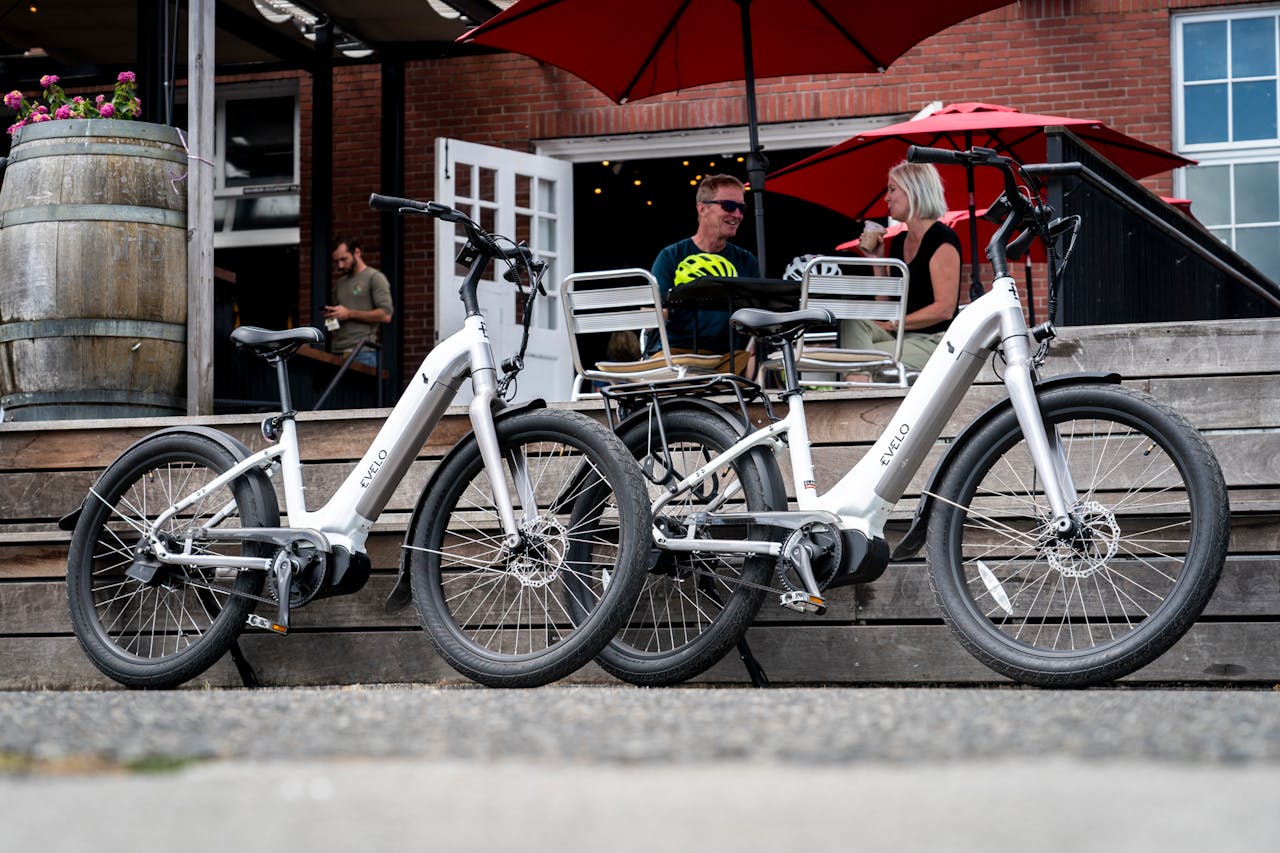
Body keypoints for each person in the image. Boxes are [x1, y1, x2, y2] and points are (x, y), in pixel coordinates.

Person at [844, 161, 961, 376]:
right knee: (851, 321)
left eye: (892, 189)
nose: (886, 197)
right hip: (902, 336)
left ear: (914, 190)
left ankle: (858, 394)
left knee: (858, 357)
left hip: (935, 341)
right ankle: (860, 382)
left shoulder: (941, 239)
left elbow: (944, 309)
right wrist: (877, 262)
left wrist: (895, 324)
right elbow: (886, 307)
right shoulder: (899, 241)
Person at [648, 174, 761, 374]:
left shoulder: (746, 260)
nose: (737, 214)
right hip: (675, 357)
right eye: (728, 206)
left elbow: (758, 316)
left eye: (741, 208)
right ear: (702, 208)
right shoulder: (670, 257)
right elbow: (652, 315)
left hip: (727, 360)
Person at [326, 236, 394, 369]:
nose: (340, 265)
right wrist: (333, 317)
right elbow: (336, 321)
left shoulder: (375, 277)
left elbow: (386, 315)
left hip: (362, 352)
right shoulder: (340, 283)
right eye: (336, 262)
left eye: (343, 259)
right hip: (336, 351)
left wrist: (349, 314)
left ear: (357, 252)